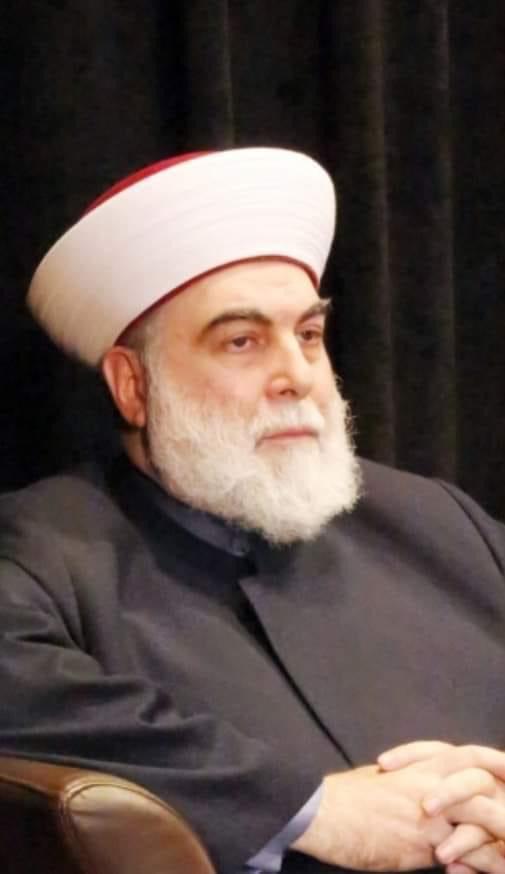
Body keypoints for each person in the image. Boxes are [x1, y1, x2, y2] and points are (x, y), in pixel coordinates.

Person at [0, 147, 505, 874]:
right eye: (242, 342)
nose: (296, 376)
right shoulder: (49, 546)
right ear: (133, 385)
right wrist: (307, 810)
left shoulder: (436, 521)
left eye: (308, 336)